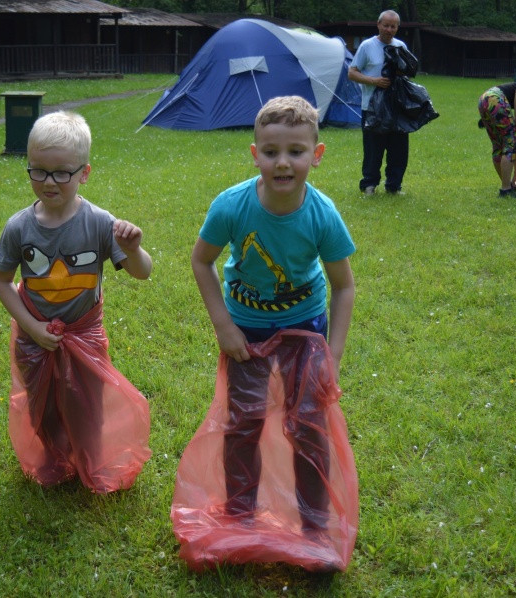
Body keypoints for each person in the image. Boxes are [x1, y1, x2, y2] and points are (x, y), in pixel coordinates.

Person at [183, 96, 357, 570]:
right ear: (254, 154)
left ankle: (315, 529)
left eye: (296, 152)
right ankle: (239, 518)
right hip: (246, 332)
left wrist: (332, 355)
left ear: (316, 155)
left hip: (306, 329)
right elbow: (201, 261)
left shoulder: (322, 214)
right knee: (244, 422)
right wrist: (224, 326)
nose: (283, 162)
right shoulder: (232, 206)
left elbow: (344, 286)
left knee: (308, 426)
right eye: (271, 151)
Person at [0, 111, 153, 493]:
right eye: (39, 171)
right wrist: (33, 328)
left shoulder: (99, 222)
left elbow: (142, 272)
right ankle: (54, 457)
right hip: (35, 338)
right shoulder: (19, 227)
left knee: (86, 404)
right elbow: (1, 281)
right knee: (43, 405)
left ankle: (88, 457)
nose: (49, 181)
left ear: (84, 173)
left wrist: (133, 249)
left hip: (85, 335)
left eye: (62, 173)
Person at [348, 9, 409, 195]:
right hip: (372, 108)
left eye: (393, 26)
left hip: (396, 107)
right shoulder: (367, 46)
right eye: (386, 25)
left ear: (397, 28)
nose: (389, 30)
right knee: (373, 149)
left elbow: (408, 71)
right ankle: (369, 185)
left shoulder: (401, 46)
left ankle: (394, 186)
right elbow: (352, 73)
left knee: (398, 150)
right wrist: (374, 81)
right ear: (378, 25)